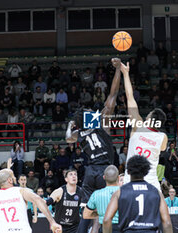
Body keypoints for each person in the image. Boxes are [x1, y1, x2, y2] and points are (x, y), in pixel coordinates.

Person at [65, 58, 121, 201]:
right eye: (89, 111)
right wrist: (118, 69)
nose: (92, 110)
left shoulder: (79, 134)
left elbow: (67, 138)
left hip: (90, 171)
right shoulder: (101, 123)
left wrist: (70, 124)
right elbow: (113, 94)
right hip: (105, 170)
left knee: (88, 207)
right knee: (111, 203)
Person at [120, 61, 168, 191]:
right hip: (151, 184)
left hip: (131, 182)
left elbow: (130, 97)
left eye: (149, 114)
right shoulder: (163, 137)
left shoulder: (138, 126)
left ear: (151, 118)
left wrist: (125, 74)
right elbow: (163, 149)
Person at [102, 156, 173, 233]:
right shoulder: (156, 192)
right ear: (146, 171)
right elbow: (167, 223)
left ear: (128, 171)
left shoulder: (119, 192)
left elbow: (106, 220)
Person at [0, 160, 62, 233]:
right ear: (10, 180)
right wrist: (52, 222)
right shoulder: (22, 191)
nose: (15, 178)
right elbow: (38, 200)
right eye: (13, 177)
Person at [45, 169, 85, 233]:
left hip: (74, 226)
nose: (74, 176)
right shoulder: (59, 191)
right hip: (59, 226)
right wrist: (52, 221)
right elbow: (45, 204)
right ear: (66, 179)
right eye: (71, 174)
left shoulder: (81, 192)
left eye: (75, 174)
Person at [83, 165, 120, 232]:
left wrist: (100, 214)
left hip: (104, 228)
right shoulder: (126, 192)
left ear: (104, 177)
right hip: (122, 228)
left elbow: (86, 214)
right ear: (118, 178)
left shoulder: (96, 194)